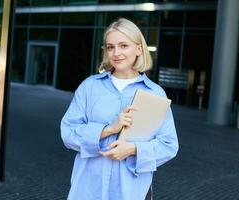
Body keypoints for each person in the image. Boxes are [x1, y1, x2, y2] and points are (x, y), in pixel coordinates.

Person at [61, 18, 179, 200]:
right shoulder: (90, 87)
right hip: (88, 189)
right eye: (110, 47)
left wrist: (132, 150)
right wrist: (109, 129)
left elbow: (168, 145)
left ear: (139, 49)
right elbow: (68, 133)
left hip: (132, 192)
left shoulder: (155, 93)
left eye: (124, 45)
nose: (116, 53)